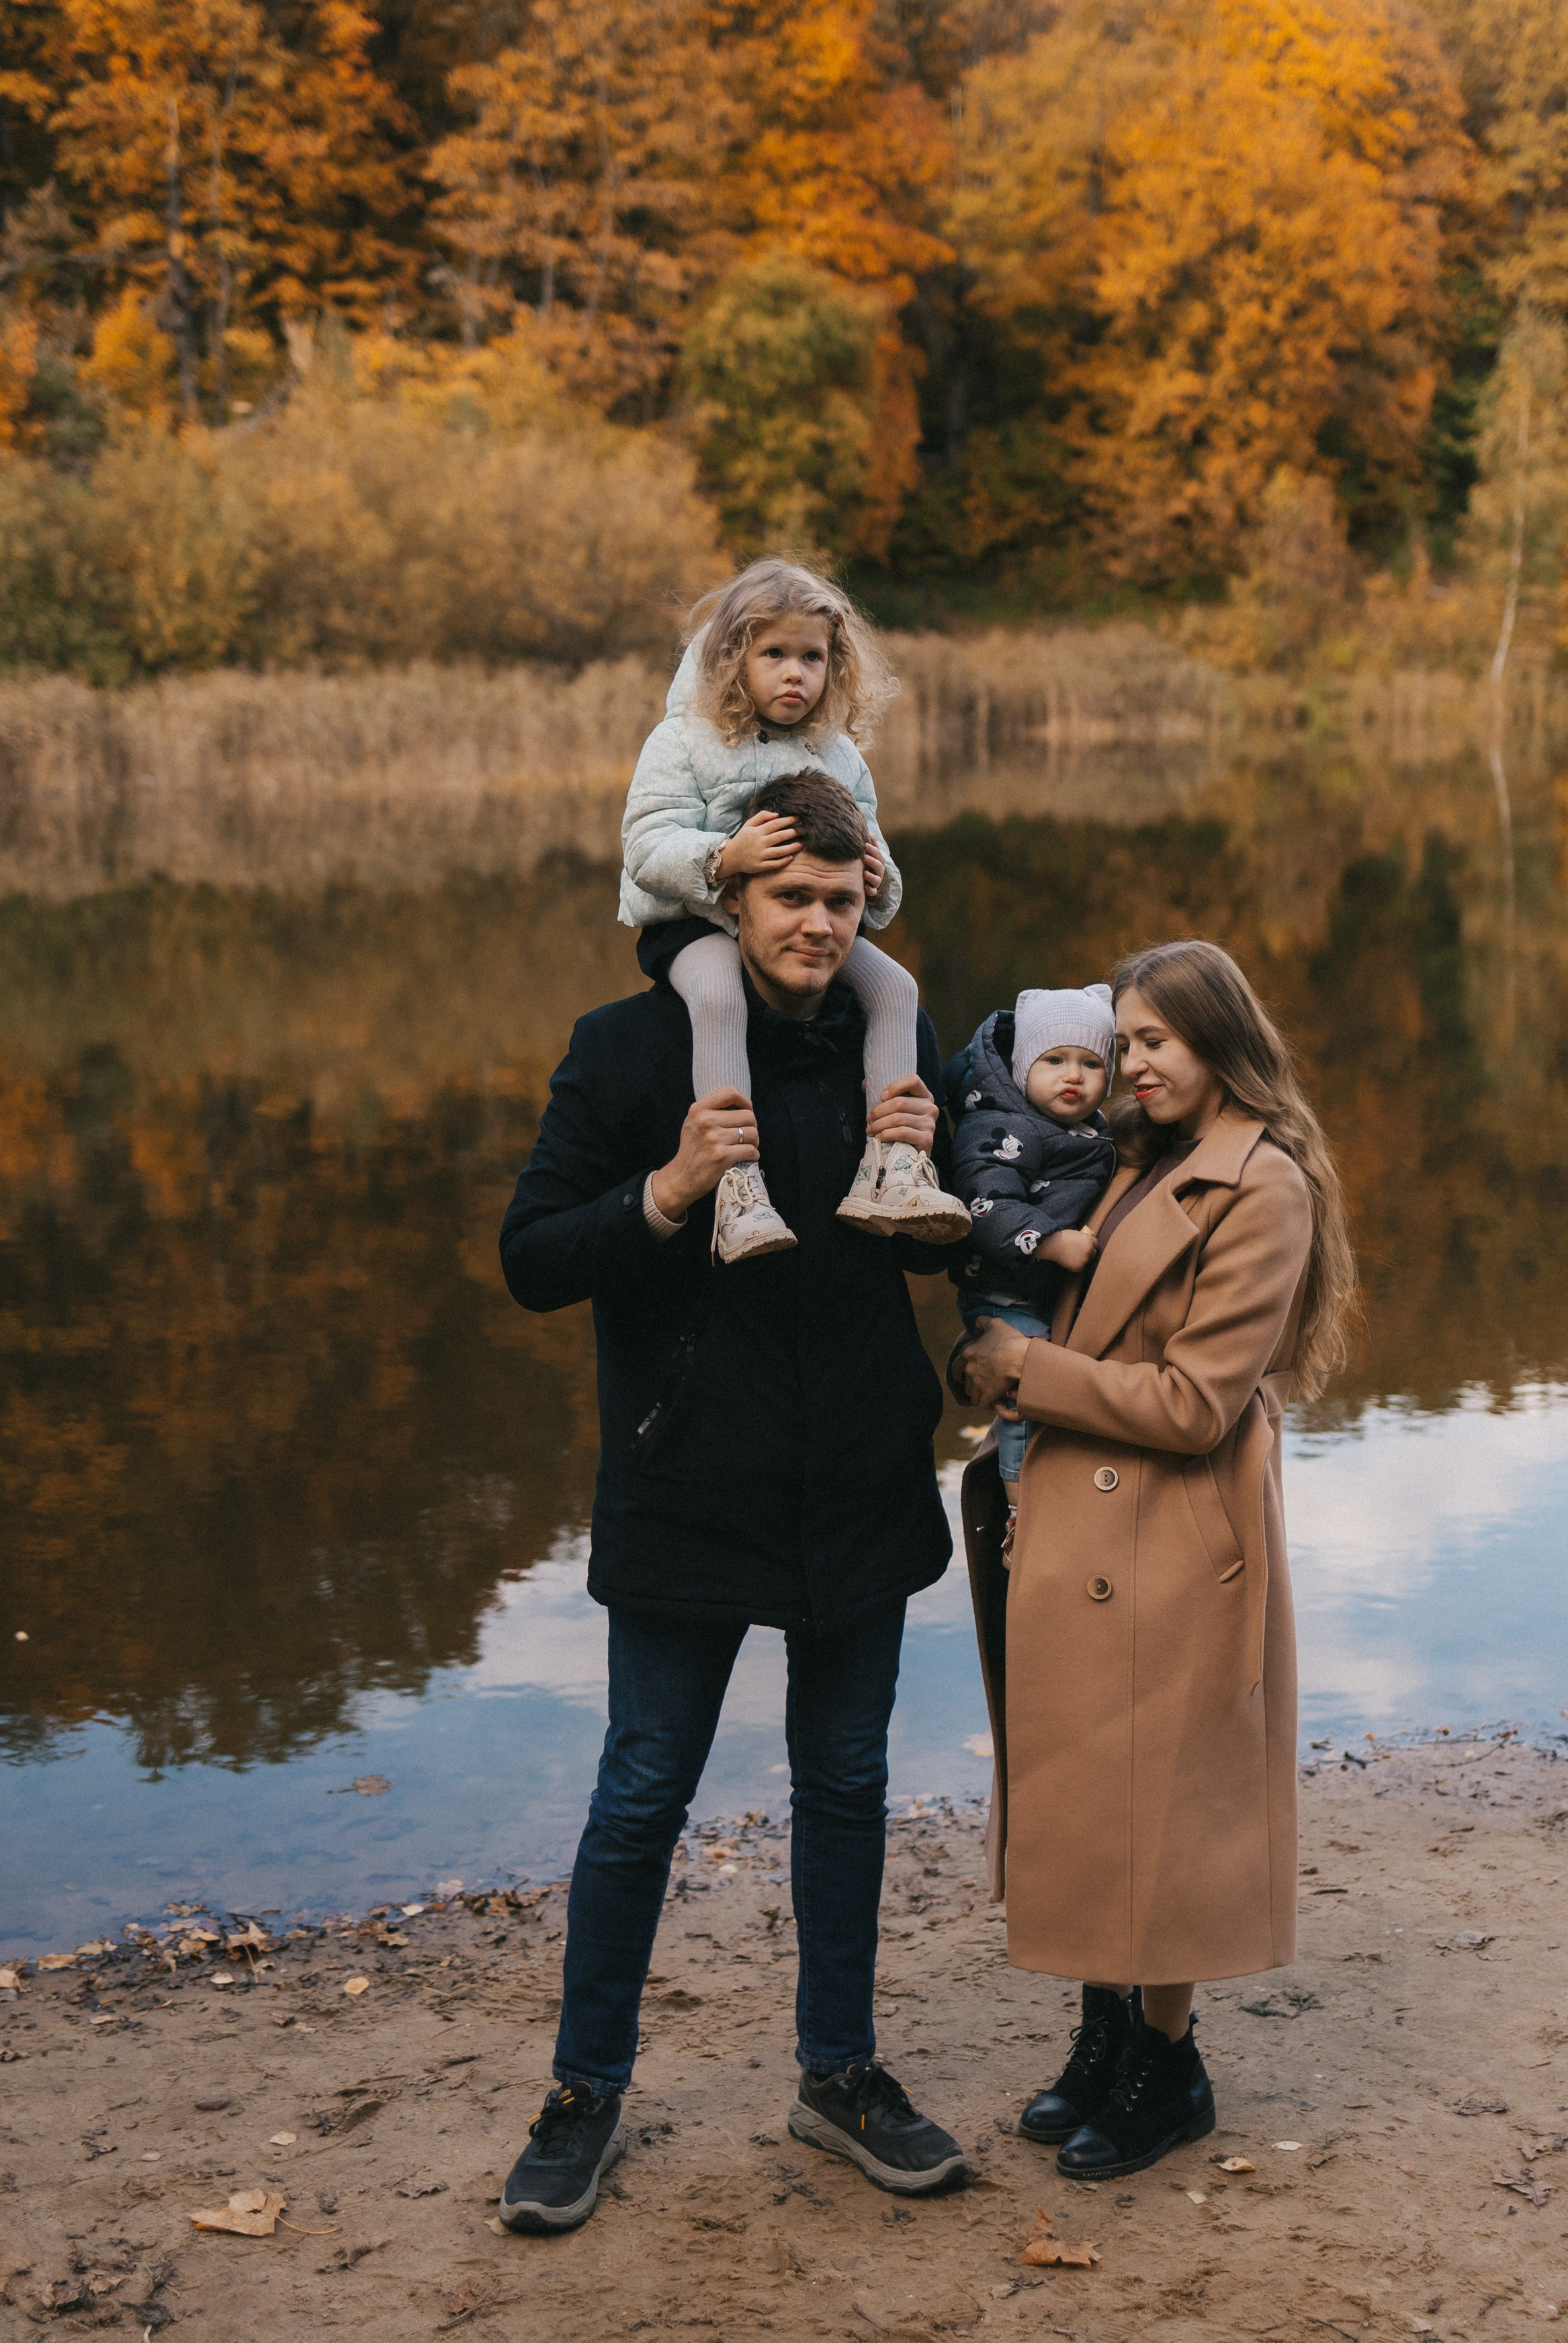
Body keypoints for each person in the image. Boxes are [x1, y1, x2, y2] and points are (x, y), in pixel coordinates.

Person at [495, 768, 970, 2235]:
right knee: (641, 1790)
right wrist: (663, 1189)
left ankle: (837, 2075)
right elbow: (529, 1255)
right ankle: (583, 2093)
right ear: (732, 895)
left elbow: (931, 1255)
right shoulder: (631, 1048)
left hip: (859, 1486)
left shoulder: (895, 1044)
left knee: (846, 1788)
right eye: (791, 897)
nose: (818, 923)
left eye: (842, 900)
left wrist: (931, 1155)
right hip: (686, 1480)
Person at [953, 939, 1356, 2182]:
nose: (1130, 1065)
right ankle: (1103, 2034)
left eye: (1154, 1042)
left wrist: (1017, 1370)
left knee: (1166, 1808)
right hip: (1084, 1518)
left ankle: (1168, 2067)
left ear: (1218, 1040)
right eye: (1123, 1042)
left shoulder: (1263, 1187)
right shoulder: (1132, 1157)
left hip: (1177, 1531)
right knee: (1087, 1794)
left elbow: (1193, 1404)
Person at [619, 556, 969, 1262]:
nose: (794, 674)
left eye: (812, 657)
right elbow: (646, 844)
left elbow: (872, 847)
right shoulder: (687, 739)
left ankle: (894, 1168)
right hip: (696, 921)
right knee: (720, 997)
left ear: (835, 667)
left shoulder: (838, 755)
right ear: (731, 659)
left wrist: (878, 876)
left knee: (897, 988)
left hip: (799, 926)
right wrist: (725, 857)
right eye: (773, 653)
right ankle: (736, 1186)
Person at [944, 984, 1117, 1527]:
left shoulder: (1081, 1129)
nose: (1074, 1075)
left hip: (1032, 1289)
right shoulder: (1003, 1125)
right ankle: (1022, 1513)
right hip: (1003, 1289)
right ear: (1022, 1069)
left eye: (1092, 1063)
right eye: (1055, 1060)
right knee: (1024, 1399)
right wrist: (1050, 1241)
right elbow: (983, 1204)